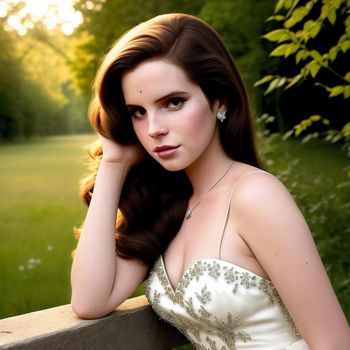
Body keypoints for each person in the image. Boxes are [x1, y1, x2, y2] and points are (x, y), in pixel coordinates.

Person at [70, 13, 350, 349]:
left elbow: (334, 343)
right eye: (137, 112)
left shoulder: (255, 196)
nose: (154, 128)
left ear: (220, 100)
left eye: (173, 102)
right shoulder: (166, 205)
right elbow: (89, 301)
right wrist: (114, 164)